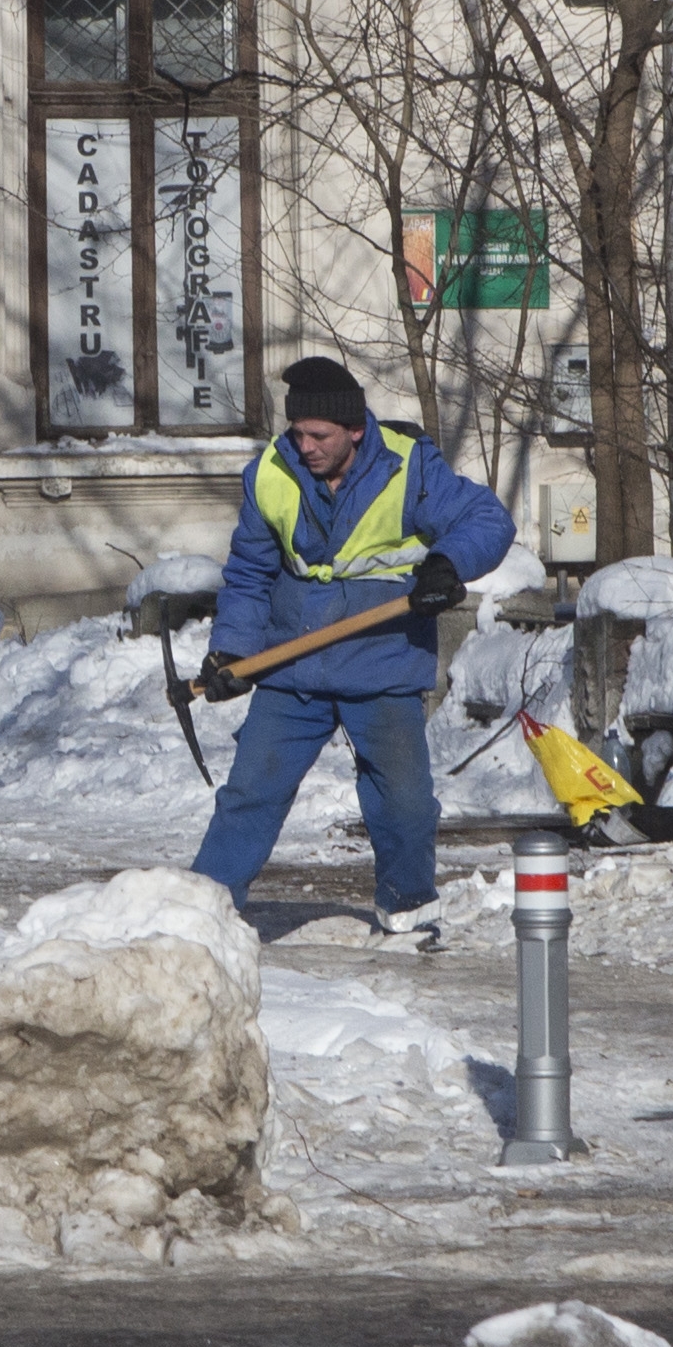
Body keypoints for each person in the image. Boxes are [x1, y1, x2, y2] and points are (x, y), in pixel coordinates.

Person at [190, 357, 515, 934]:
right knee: (249, 795)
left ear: (355, 430)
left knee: (404, 806)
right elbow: (248, 574)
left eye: (320, 436)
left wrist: (448, 563)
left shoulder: (408, 467)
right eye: (298, 434)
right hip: (293, 664)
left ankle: (408, 912)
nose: (306, 446)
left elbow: (485, 519)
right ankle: (200, 914)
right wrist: (233, 652)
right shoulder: (270, 473)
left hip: (383, 660)